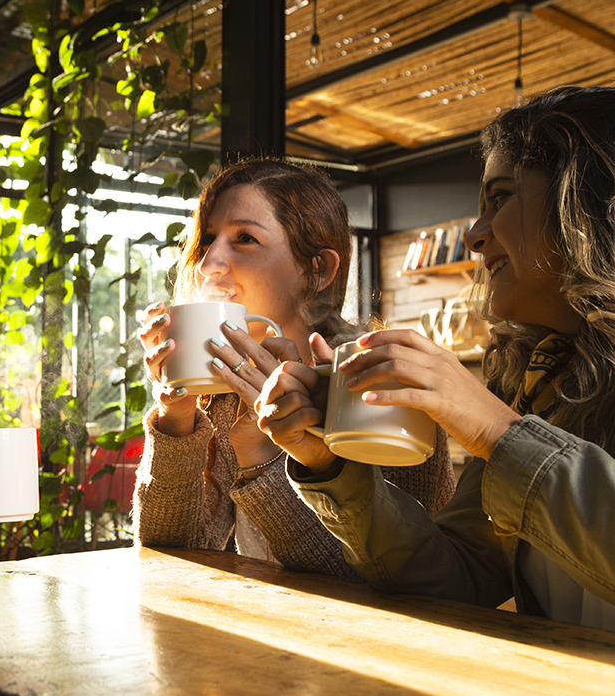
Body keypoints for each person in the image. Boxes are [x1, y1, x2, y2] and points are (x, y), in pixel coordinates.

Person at [258, 85, 615, 661]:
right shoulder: (537, 371)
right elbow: (458, 577)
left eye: (500, 197)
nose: (475, 234)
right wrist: (332, 467)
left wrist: (497, 432)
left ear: (592, 201)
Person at [134, 158, 455, 578]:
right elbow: (173, 553)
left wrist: (266, 456)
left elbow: (388, 580)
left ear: (317, 270)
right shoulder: (228, 392)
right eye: (208, 239)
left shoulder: (380, 381)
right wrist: (175, 420)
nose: (207, 262)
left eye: (245, 238)